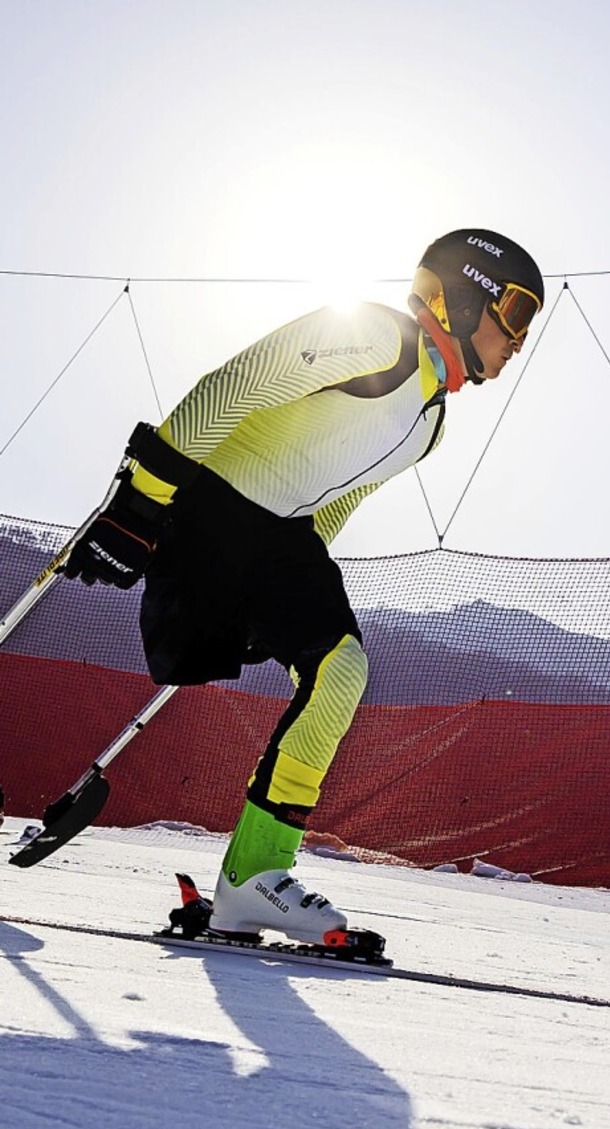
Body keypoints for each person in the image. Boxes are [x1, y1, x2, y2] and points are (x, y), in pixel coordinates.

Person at [65, 228, 544, 944]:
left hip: (279, 540)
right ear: (463, 294)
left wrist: (291, 590)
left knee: (341, 669)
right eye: (513, 312)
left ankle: (253, 879)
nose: (518, 338)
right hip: (208, 498)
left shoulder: (431, 422)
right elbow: (235, 385)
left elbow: (342, 492)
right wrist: (143, 497)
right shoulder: (379, 337)